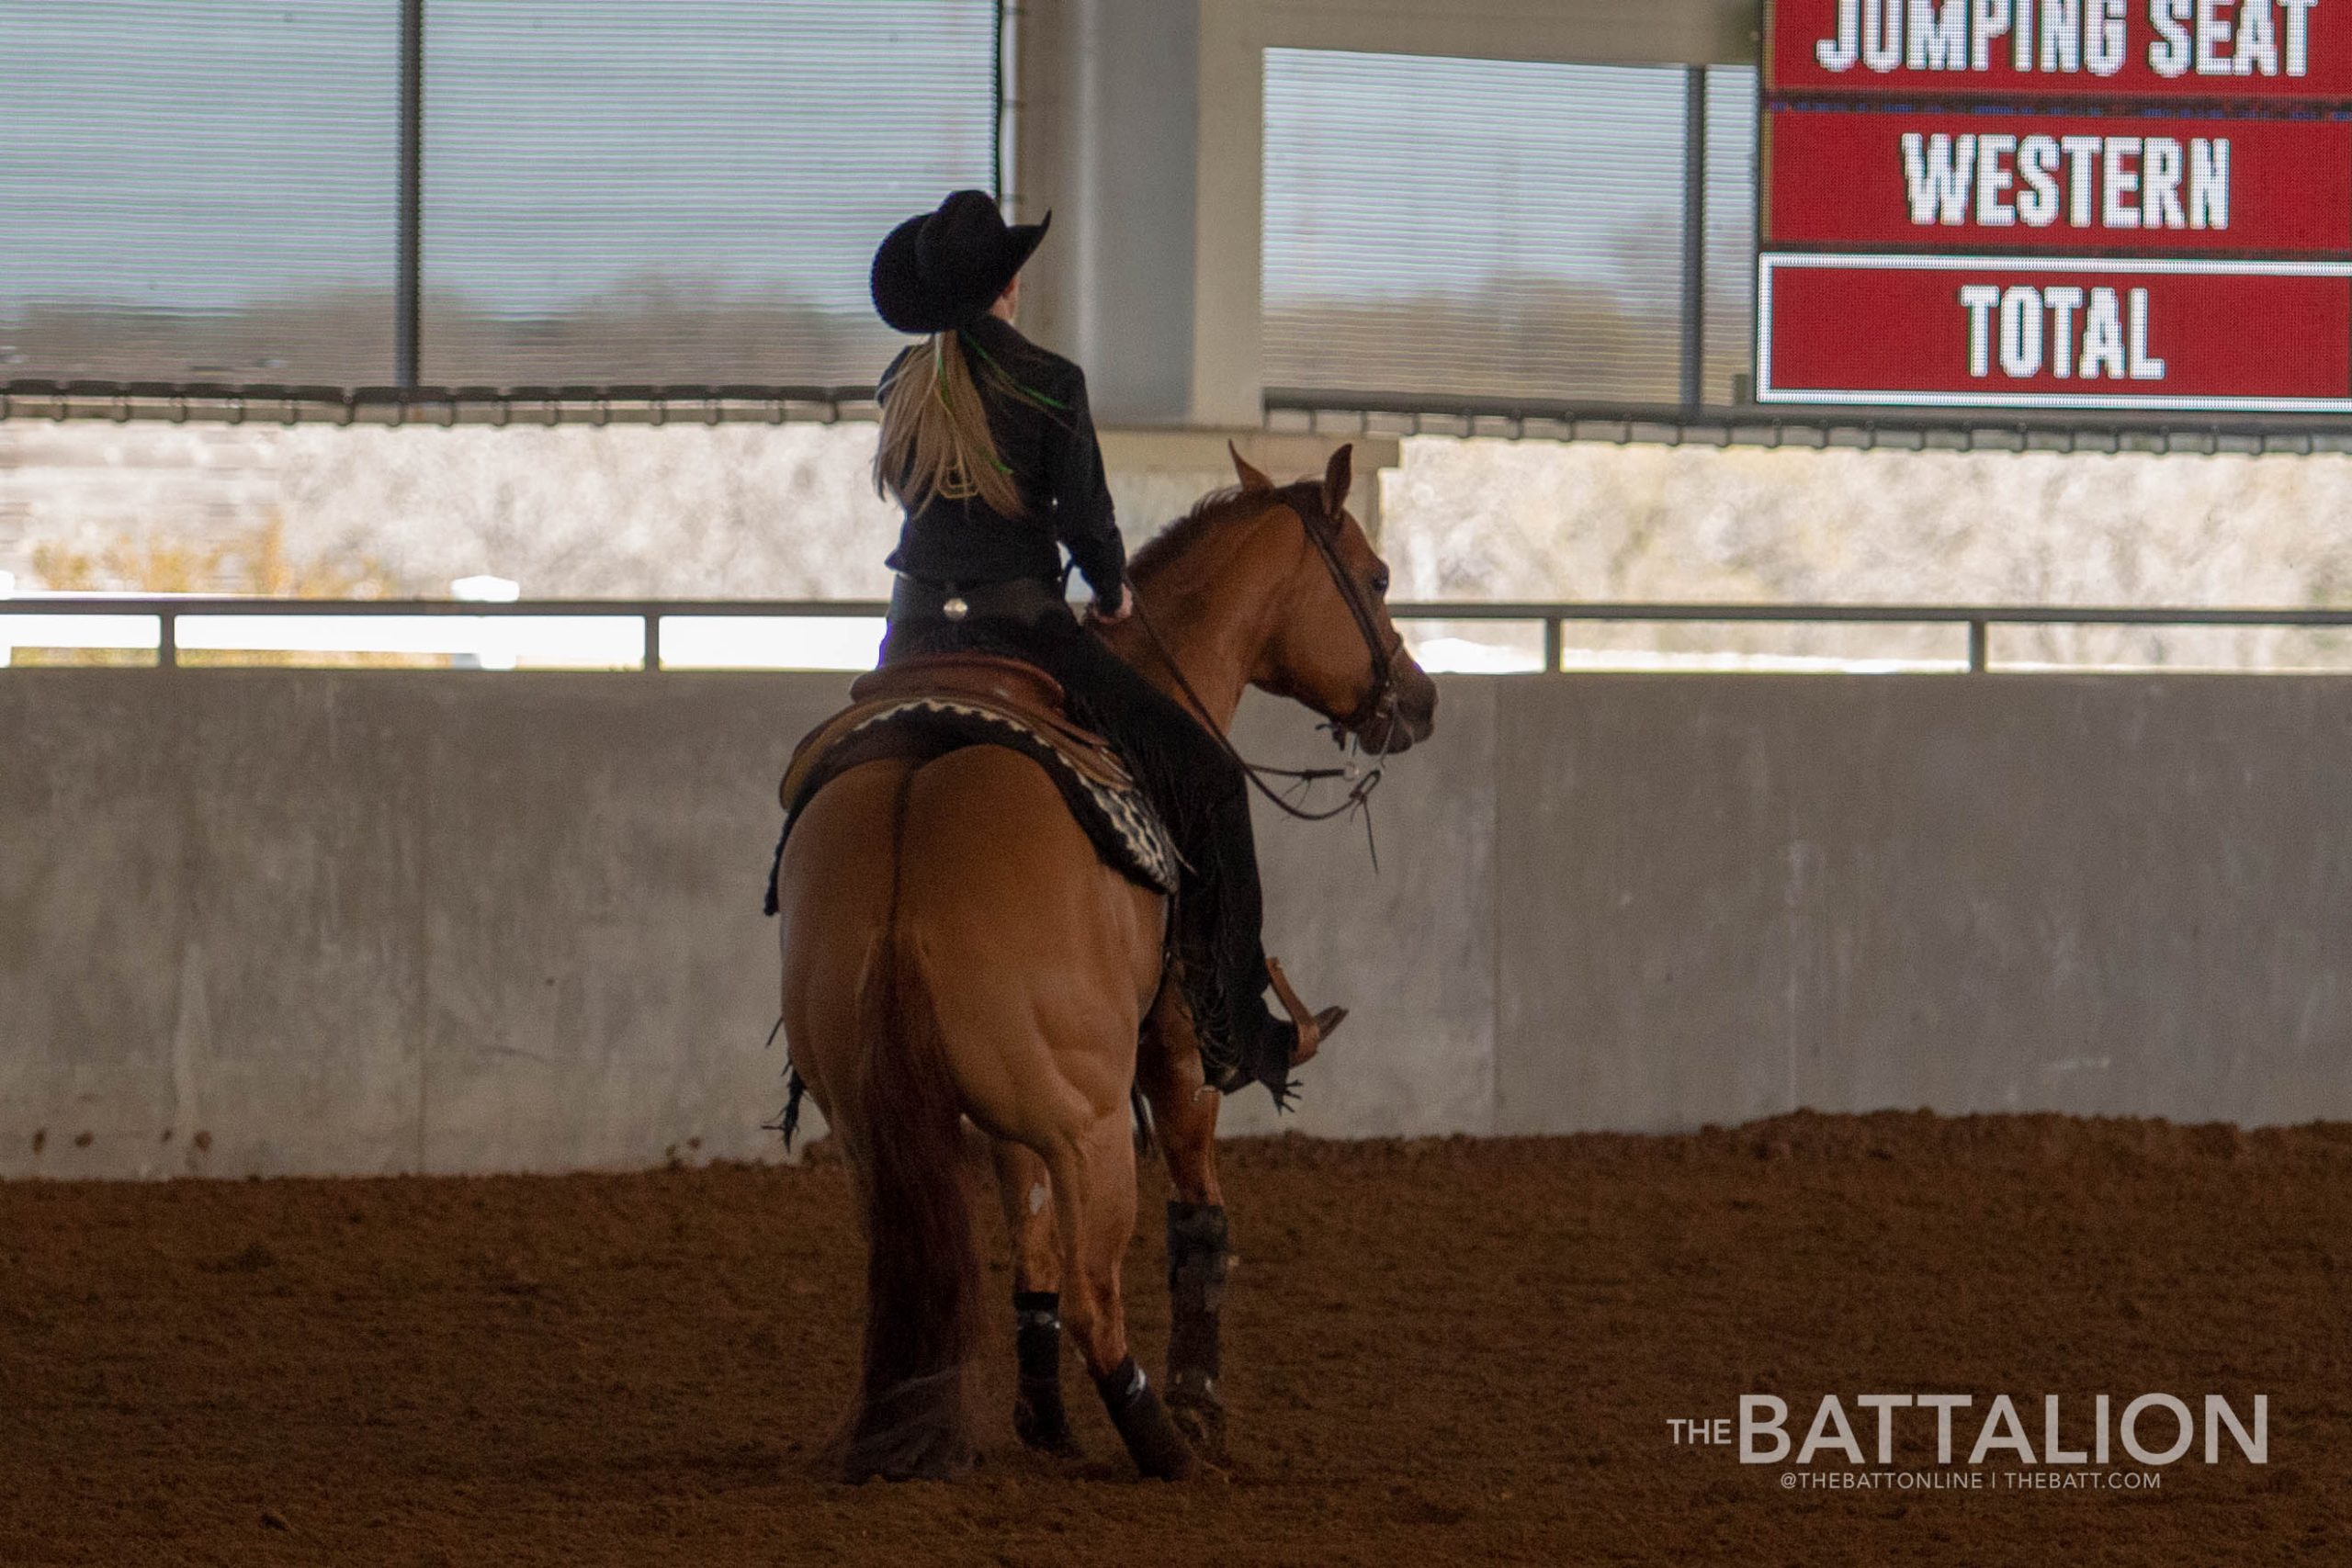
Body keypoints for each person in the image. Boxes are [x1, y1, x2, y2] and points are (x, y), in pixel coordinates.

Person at [865, 188, 1337, 1102]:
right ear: (1009, 281)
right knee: (1207, 781)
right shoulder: (1050, 382)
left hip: (909, 636)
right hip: (1024, 634)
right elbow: (1086, 526)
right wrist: (1116, 589)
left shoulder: (900, 384)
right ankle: (1236, 1035)